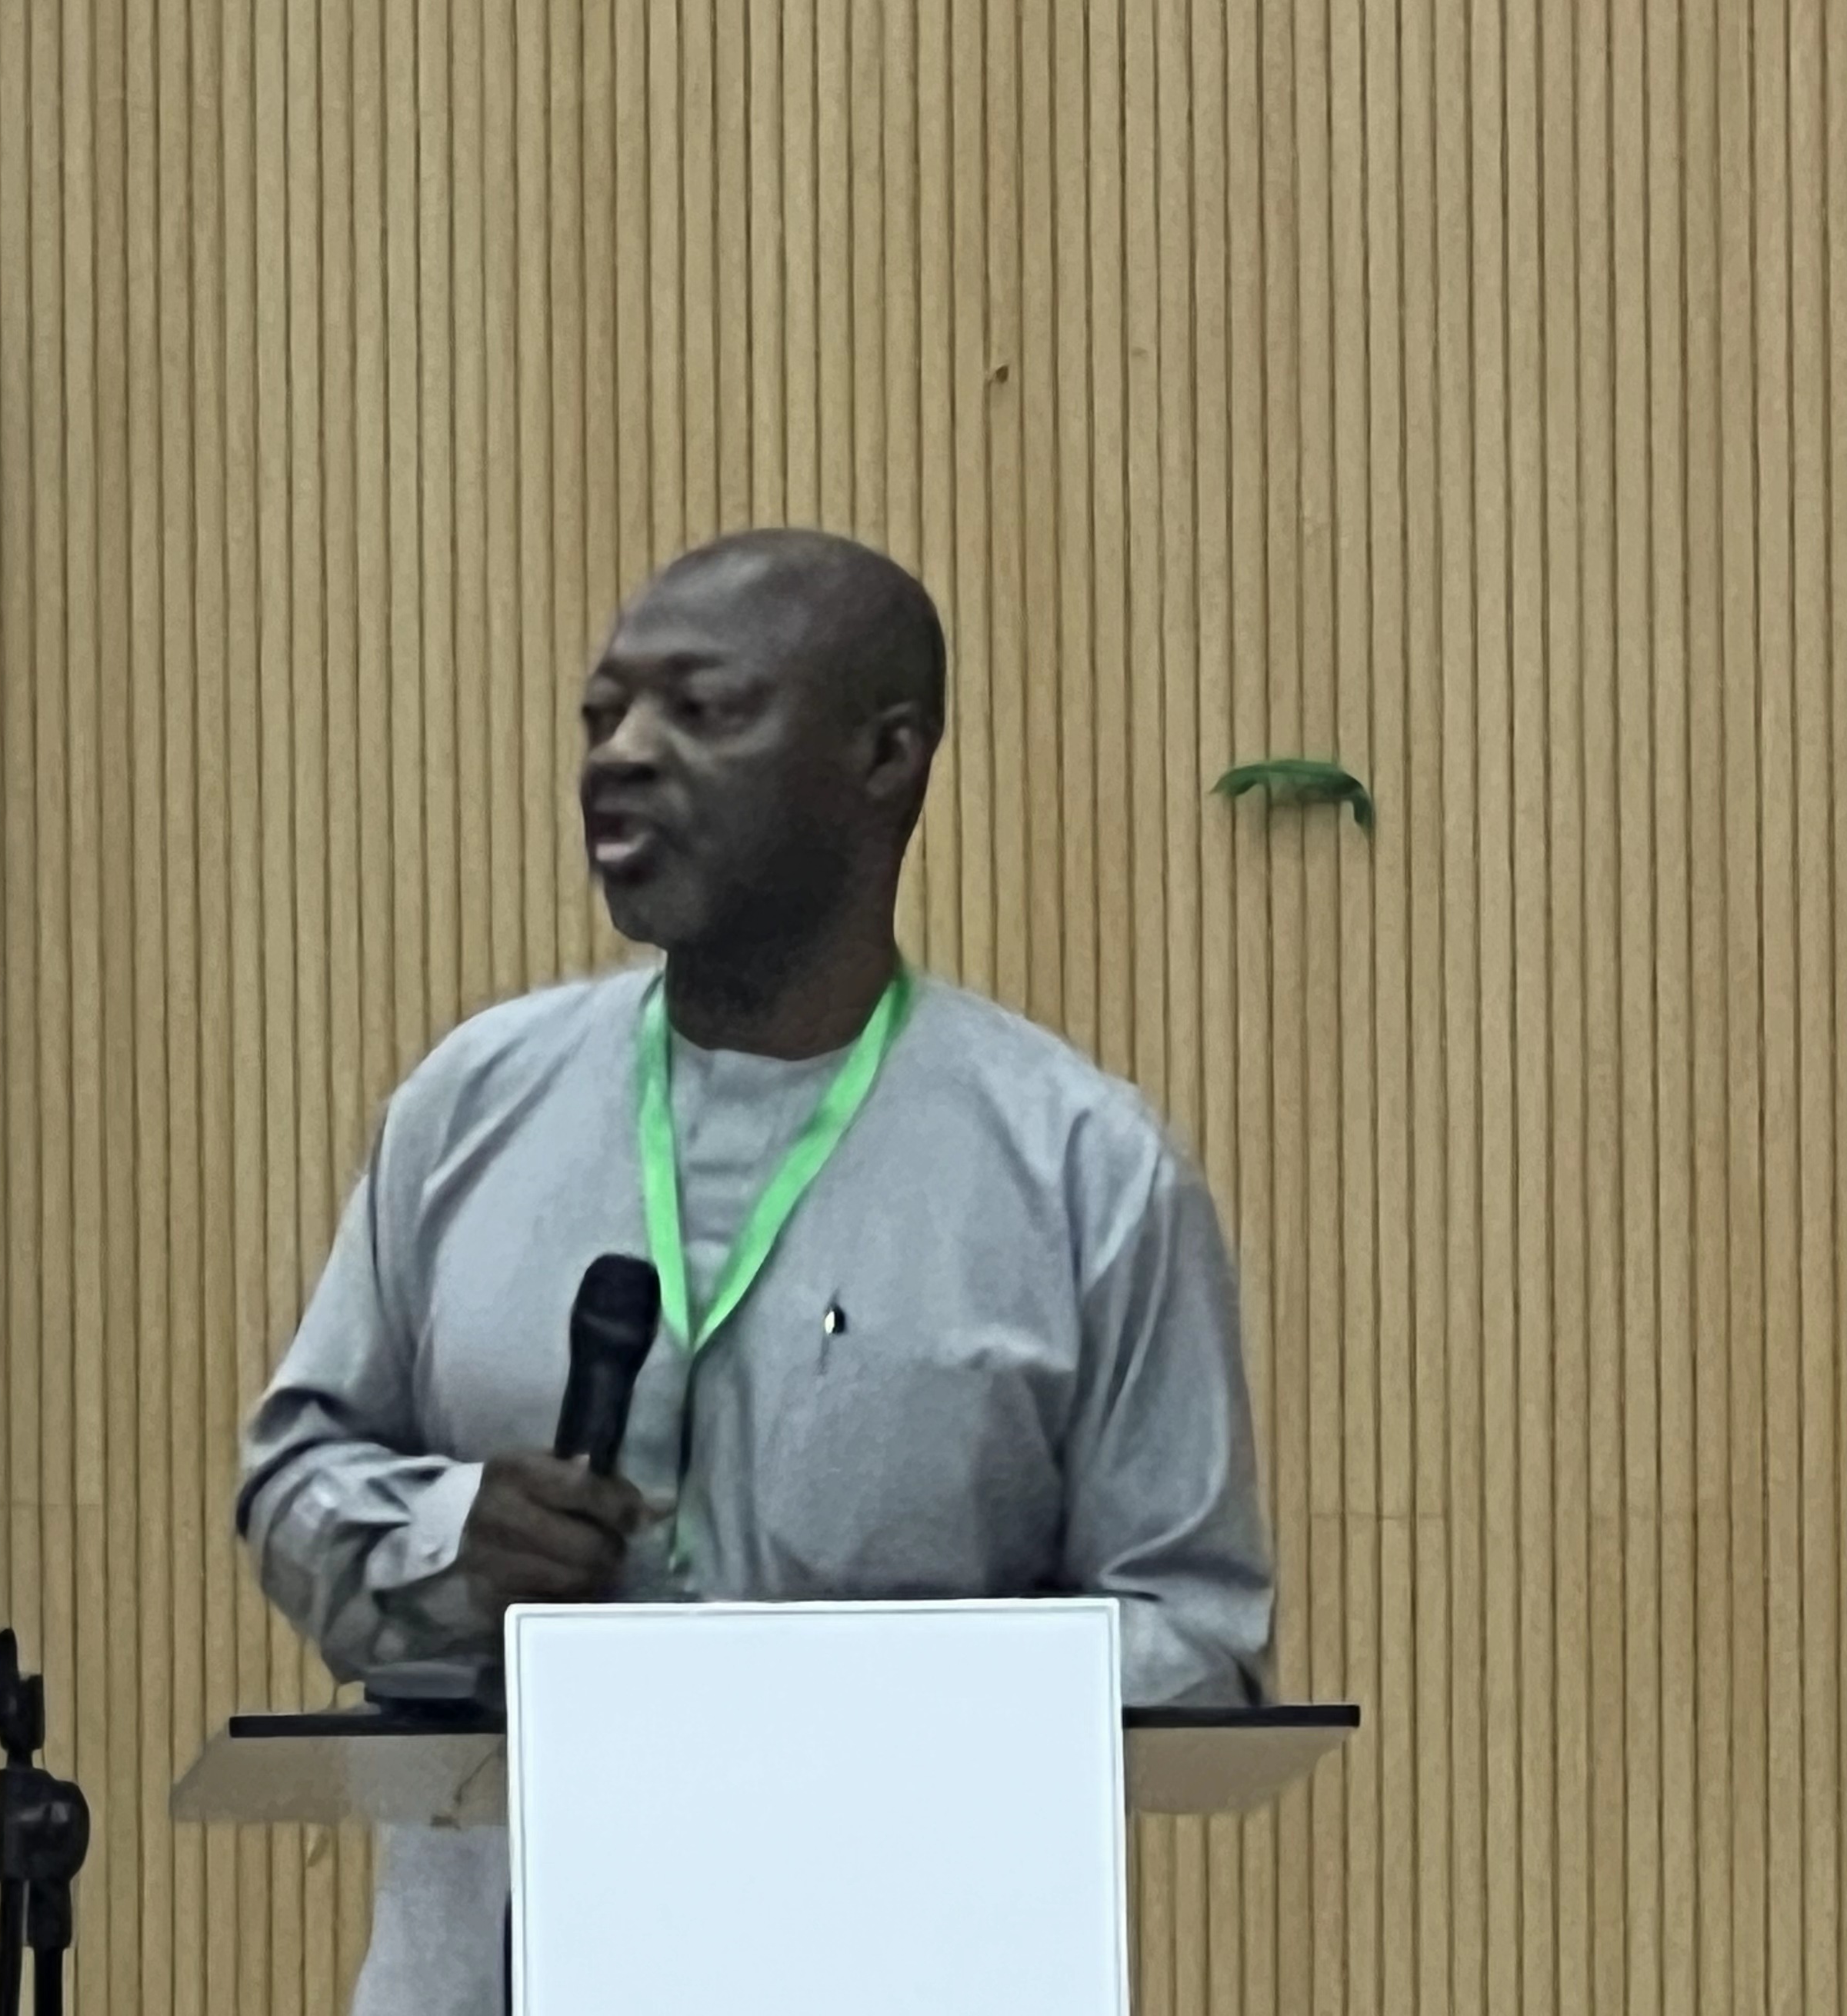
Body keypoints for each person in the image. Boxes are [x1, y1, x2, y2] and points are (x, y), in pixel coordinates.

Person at [235, 528, 1272, 2016]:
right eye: (602, 715)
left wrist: (838, 1709)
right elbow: (293, 1475)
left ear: (886, 758)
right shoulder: (468, 1107)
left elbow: (1200, 1638)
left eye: (701, 710)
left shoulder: (1081, 1171)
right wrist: (447, 1539)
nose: (621, 757)